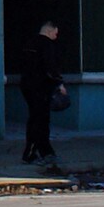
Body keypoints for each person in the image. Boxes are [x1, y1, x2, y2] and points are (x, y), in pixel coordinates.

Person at [20, 20, 66, 165]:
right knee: (41, 121)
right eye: (55, 33)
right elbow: (50, 67)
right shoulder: (47, 45)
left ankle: (36, 151)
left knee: (34, 118)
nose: (56, 36)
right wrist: (59, 84)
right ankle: (39, 152)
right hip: (41, 87)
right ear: (49, 31)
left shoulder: (29, 43)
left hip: (27, 85)